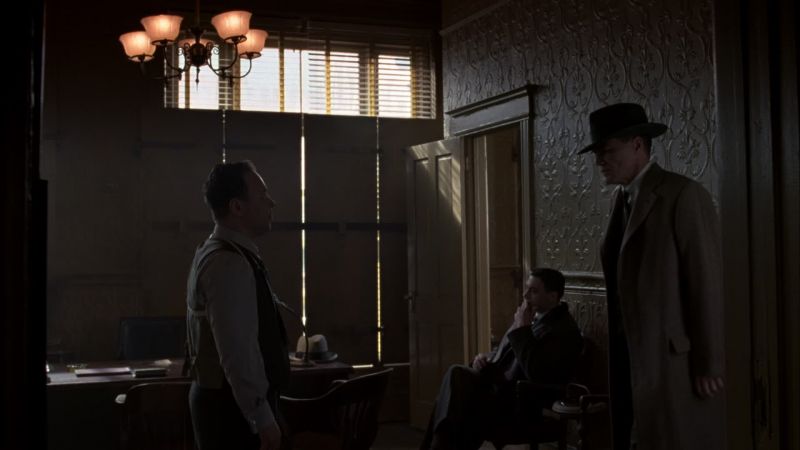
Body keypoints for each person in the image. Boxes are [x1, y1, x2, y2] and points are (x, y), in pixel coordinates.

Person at [579, 103, 725, 450]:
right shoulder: (620, 200)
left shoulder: (682, 195)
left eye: (607, 151)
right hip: (629, 356)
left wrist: (709, 361)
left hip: (670, 360)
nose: (600, 161)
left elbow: (705, 281)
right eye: (597, 153)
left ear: (637, 145)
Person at [185, 160, 290, 450]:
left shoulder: (227, 254)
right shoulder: (227, 264)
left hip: (232, 405)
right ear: (237, 207)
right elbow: (237, 351)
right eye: (262, 195)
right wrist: (262, 418)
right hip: (231, 413)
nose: (271, 202)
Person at [420, 268, 583, 450]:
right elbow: (504, 351)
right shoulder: (532, 316)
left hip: (519, 401)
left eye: (534, 291)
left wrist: (522, 330)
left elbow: (537, 373)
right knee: (456, 381)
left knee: (457, 394)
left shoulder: (562, 330)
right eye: (526, 288)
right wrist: (484, 358)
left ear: (552, 297)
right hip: (499, 387)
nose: (525, 295)